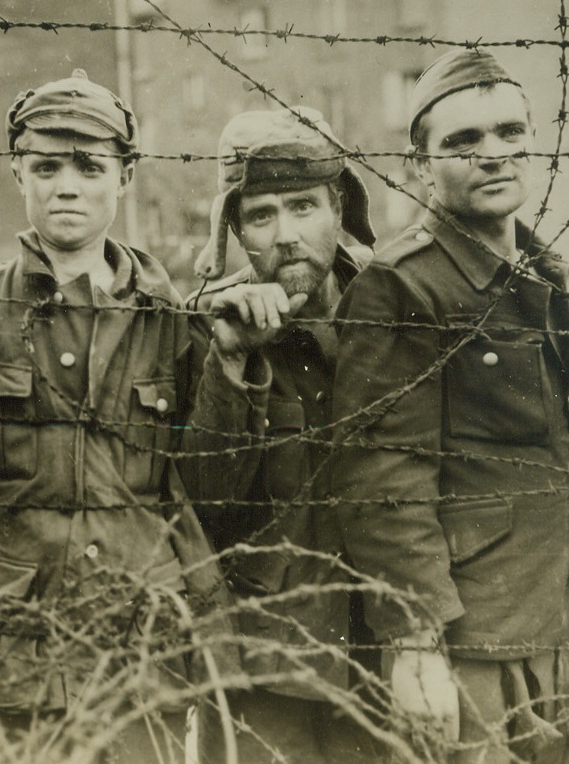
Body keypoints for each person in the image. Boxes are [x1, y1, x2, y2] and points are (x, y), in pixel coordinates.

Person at [0, 69, 236, 763]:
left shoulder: (167, 315)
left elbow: (198, 474)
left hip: (139, 630)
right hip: (17, 636)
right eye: (47, 166)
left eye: (90, 167)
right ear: (16, 171)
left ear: (125, 177)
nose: (67, 185)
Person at [329, 50, 569, 762]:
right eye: (463, 142)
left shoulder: (542, 273)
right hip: (469, 640)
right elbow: (384, 481)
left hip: (553, 621)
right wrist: (416, 646)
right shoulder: (401, 288)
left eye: (510, 133)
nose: (494, 155)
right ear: (420, 165)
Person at [180, 106, 387, 763]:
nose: (288, 236)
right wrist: (233, 360)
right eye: (261, 215)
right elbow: (203, 504)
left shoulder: (399, 314)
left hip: (388, 649)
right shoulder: (204, 329)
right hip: (266, 668)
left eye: (304, 207)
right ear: (234, 232)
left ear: (340, 207)